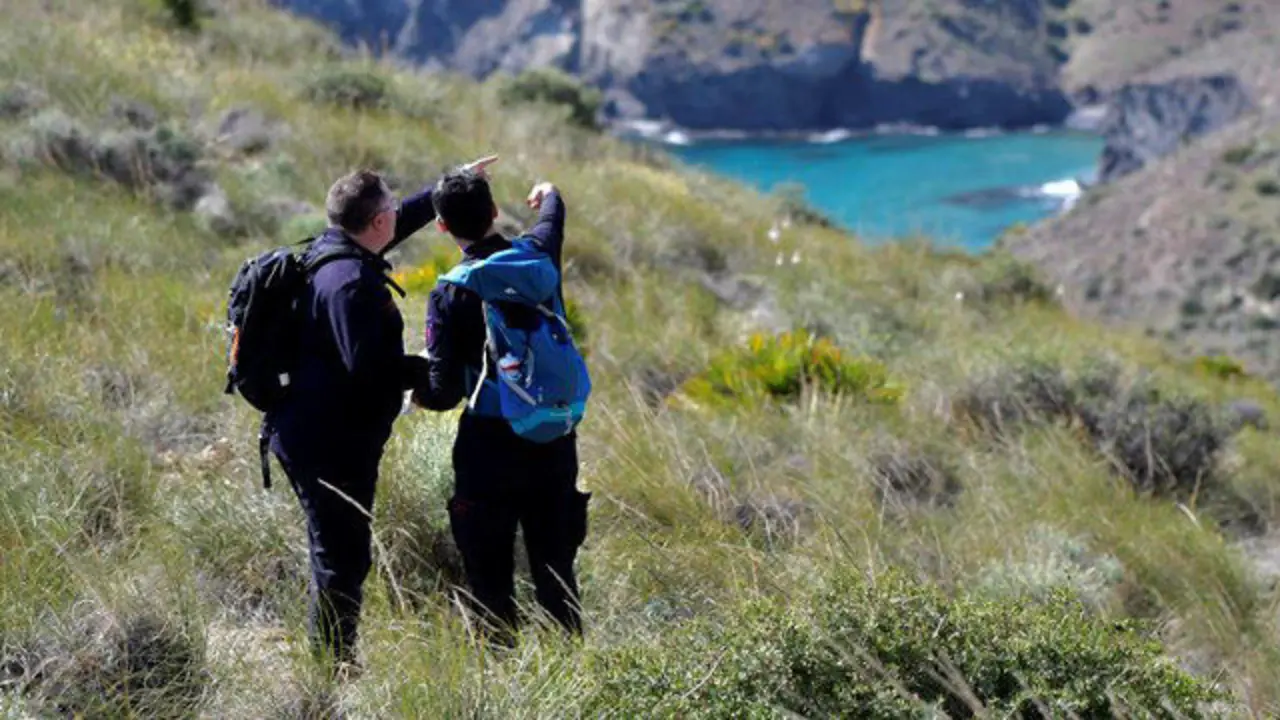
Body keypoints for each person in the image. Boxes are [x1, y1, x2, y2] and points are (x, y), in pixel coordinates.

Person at [268, 157, 496, 667]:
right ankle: (333, 669)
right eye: (390, 208)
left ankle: (332, 658)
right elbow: (369, 369)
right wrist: (435, 373)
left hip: (312, 428)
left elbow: (396, 218)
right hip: (328, 444)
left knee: (339, 551)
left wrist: (447, 185)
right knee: (342, 558)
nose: (397, 212)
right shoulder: (351, 283)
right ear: (375, 223)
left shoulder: (336, 250)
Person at [412, 169, 589, 641]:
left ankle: (503, 675)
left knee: (489, 579)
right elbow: (553, 217)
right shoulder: (537, 257)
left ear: (443, 228)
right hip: (552, 436)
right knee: (556, 572)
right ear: (494, 212)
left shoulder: (452, 289)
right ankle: (575, 672)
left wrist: (416, 391)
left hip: (487, 445)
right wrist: (549, 192)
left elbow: (444, 391)